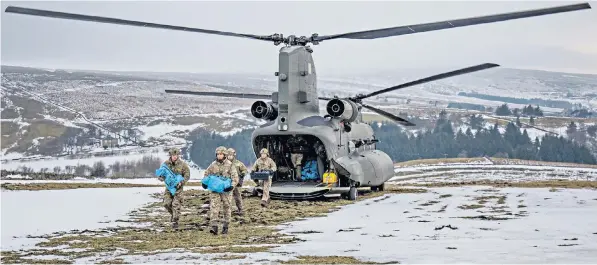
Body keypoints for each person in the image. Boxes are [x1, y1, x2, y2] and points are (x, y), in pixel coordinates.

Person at [203, 146, 239, 235]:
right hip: (215, 190)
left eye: (221, 154)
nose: (219, 156)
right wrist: (204, 182)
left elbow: (235, 177)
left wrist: (232, 186)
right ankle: (214, 227)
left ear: (225, 155)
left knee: (227, 207)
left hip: (226, 190)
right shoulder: (213, 165)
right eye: (218, 154)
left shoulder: (230, 165)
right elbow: (206, 174)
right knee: (214, 207)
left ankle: (225, 226)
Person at [158, 147, 191, 229]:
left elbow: (187, 175)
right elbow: (160, 174)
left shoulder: (183, 164)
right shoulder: (165, 164)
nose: (175, 156)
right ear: (170, 155)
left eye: (176, 155)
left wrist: (182, 182)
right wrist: (161, 178)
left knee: (176, 204)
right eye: (173, 155)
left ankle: (175, 221)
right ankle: (173, 215)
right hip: (169, 188)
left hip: (178, 188)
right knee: (166, 203)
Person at [227, 148, 248, 216]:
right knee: (227, 198)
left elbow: (245, 170)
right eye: (228, 155)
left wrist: (242, 174)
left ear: (234, 155)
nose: (230, 156)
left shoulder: (238, 163)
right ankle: (227, 211)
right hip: (227, 183)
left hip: (236, 183)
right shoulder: (224, 163)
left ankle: (240, 209)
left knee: (238, 197)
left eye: (231, 155)